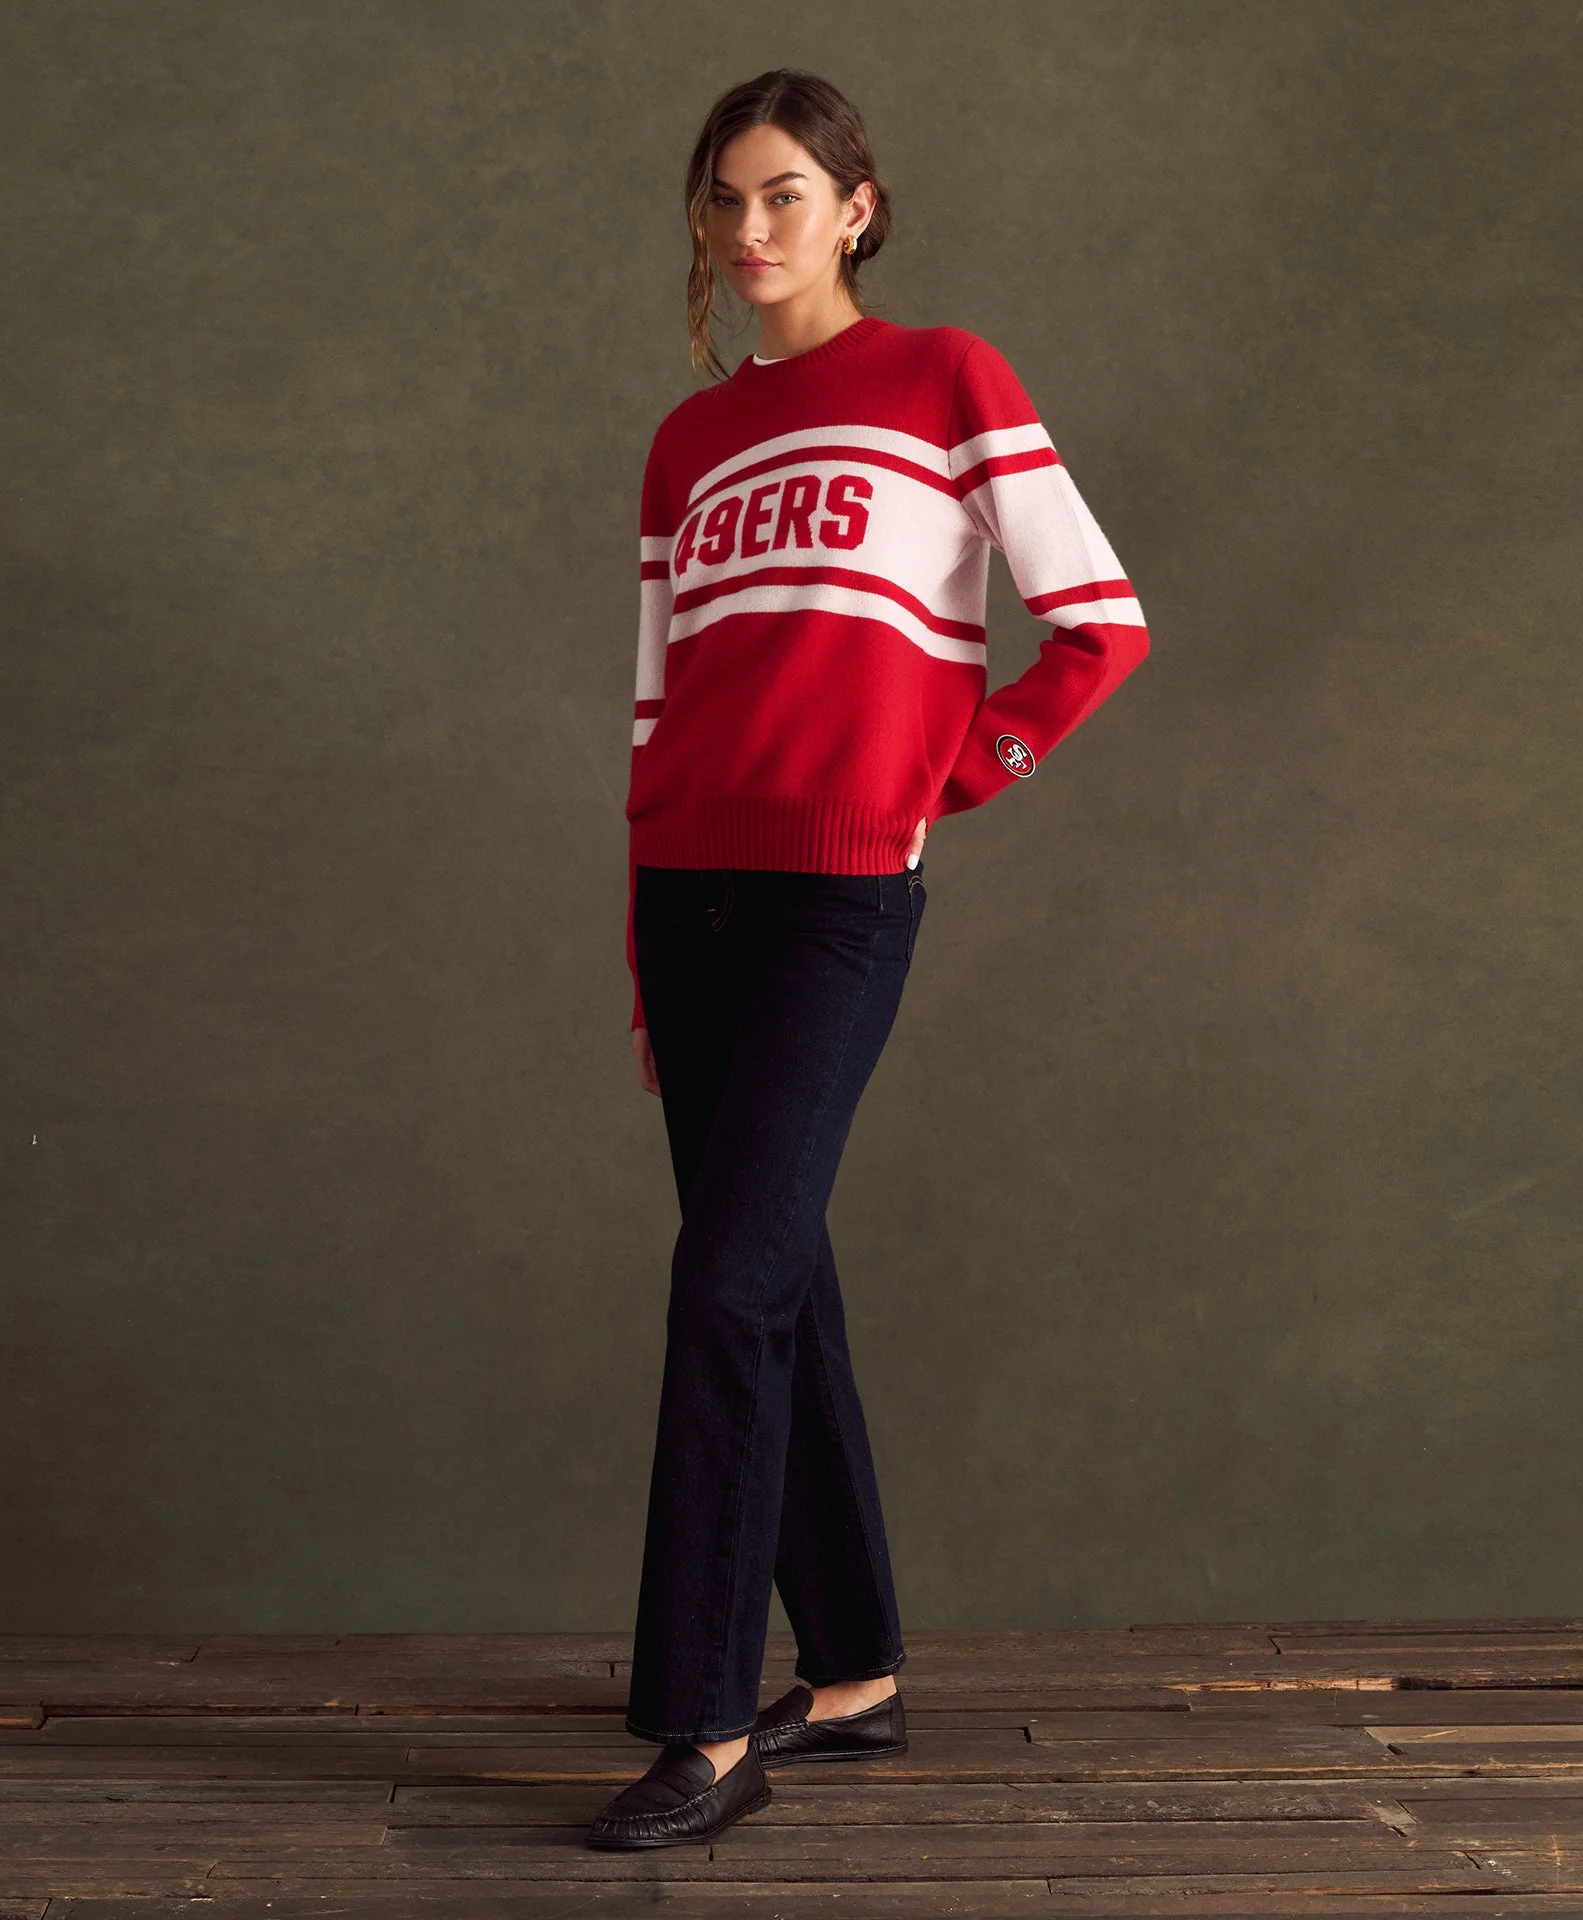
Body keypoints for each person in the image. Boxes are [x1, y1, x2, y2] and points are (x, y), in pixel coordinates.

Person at [586, 68, 1150, 1850]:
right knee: (778, 1276)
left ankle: (703, 1724)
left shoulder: (944, 378)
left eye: (782, 195)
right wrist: (637, 949)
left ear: (857, 209)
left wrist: (961, 769)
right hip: (687, 897)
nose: (747, 229)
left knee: (728, 1283)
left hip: (837, 900)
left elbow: (1100, 622)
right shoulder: (687, 445)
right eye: (722, 199)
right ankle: (850, 1673)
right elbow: (659, 708)